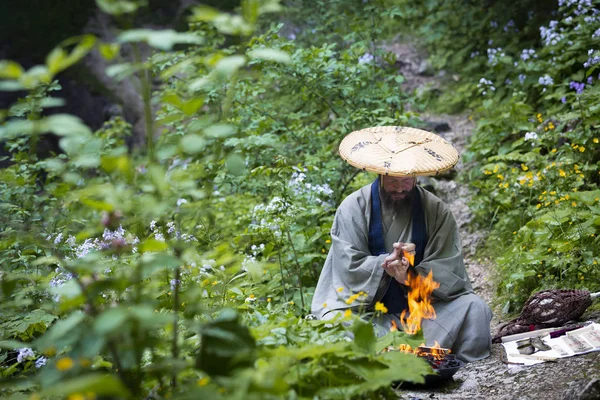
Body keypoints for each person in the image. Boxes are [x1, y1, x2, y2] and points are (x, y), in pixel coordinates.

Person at [311, 126, 492, 362]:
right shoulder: (353, 207)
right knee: (333, 327)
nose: (399, 188)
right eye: (393, 181)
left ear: (416, 176)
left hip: (422, 316)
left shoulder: (436, 210)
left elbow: (450, 269)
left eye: (406, 181)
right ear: (380, 174)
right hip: (369, 316)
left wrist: (410, 275)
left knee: (474, 308)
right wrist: (384, 268)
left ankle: (414, 357)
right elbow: (347, 270)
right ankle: (417, 355)